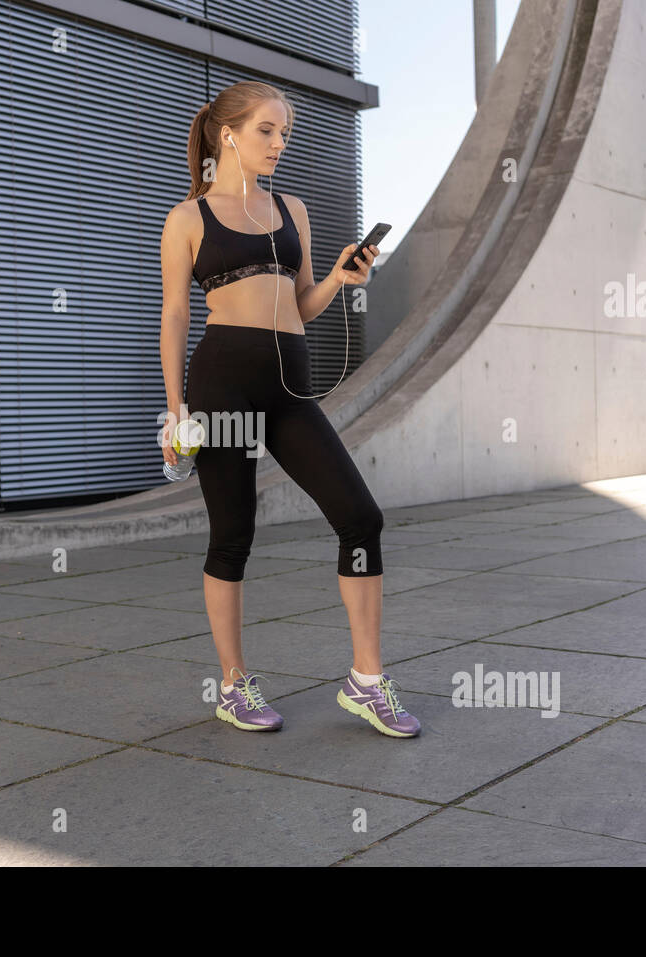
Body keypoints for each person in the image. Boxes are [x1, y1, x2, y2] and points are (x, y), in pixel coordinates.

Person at [157, 81, 421, 739]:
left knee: (361, 516)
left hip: (290, 389)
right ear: (229, 134)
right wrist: (175, 412)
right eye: (268, 131)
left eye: (285, 134)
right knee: (233, 534)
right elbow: (174, 315)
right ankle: (234, 684)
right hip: (222, 384)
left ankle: (366, 679)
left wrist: (338, 278)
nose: (279, 143)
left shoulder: (292, 211)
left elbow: (300, 306)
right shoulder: (189, 219)